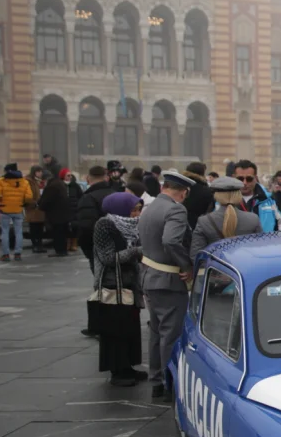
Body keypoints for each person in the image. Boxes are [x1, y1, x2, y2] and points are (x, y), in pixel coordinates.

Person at [138, 170, 194, 399]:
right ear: (183, 192)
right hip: (168, 279)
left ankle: (157, 380)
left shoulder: (150, 207)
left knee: (156, 332)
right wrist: (186, 266)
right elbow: (171, 241)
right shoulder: (176, 209)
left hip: (149, 276)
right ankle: (170, 381)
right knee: (171, 333)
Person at [92, 192, 145, 387]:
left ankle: (127, 366)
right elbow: (108, 258)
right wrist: (136, 251)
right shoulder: (104, 225)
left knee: (129, 328)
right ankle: (117, 371)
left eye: (139, 209)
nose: (136, 214)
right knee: (115, 330)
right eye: (133, 210)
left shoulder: (134, 226)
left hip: (129, 283)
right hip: (111, 284)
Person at [190, 176, 263, 259]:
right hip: (245, 269)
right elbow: (259, 250)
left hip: (215, 269)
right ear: (239, 195)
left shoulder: (204, 221)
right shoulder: (253, 219)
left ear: (216, 196)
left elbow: (196, 254)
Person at [0, 163, 32, 262]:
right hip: (18, 209)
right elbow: (29, 197)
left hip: (4, 209)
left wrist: (3, 199)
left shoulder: (1, 181)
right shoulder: (24, 182)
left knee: (5, 231)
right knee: (18, 231)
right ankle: (18, 254)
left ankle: (5, 255)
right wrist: (22, 201)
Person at [233, 160, 281, 232]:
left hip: (264, 242)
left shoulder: (269, 200)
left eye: (249, 179)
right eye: (240, 179)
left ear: (256, 178)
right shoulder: (223, 201)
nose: (244, 183)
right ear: (234, 177)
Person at [37, 173, 72, 257]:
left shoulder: (51, 187)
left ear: (46, 179)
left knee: (57, 233)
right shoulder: (59, 184)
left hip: (55, 214)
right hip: (63, 213)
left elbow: (46, 200)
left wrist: (40, 206)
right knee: (62, 233)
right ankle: (63, 250)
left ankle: (60, 251)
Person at [182, 162, 215, 229]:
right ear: (202, 174)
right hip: (199, 227)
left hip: (179, 225)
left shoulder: (180, 187)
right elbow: (210, 210)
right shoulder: (206, 190)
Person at [23, 166, 48, 253]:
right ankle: (35, 245)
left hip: (40, 207)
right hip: (32, 207)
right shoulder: (28, 181)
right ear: (34, 172)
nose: (41, 173)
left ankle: (40, 245)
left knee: (40, 227)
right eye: (39, 171)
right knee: (34, 227)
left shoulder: (40, 181)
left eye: (41, 171)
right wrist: (34, 202)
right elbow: (27, 194)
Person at [64, 171, 83, 252]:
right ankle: (68, 242)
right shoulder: (61, 185)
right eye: (68, 175)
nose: (69, 177)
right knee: (66, 226)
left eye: (70, 175)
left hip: (75, 209)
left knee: (75, 226)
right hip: (65, 209)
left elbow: (81, 195)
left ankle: (74, 243)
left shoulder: (75, 185)